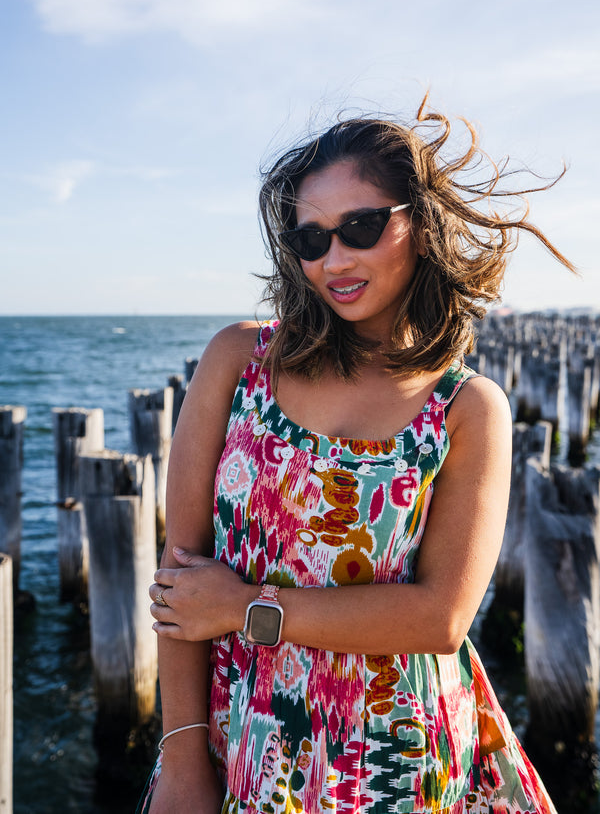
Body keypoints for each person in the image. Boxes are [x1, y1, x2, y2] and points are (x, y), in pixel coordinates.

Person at [138, 96, 575, 814]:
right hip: (238, 746)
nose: (334, 260)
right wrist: (182, 756)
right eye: (311, 240)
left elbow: (439, 618)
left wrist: (247, 608)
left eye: (361, 227)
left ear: (419, 224)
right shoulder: (236, 362)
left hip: (396, 768)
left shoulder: (467, 409)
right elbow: (181, 583)